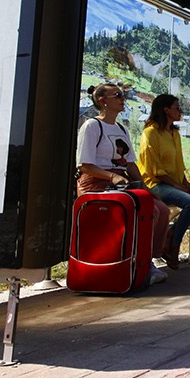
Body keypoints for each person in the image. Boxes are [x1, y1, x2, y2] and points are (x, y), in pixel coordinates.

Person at [77, 83, 170, 283]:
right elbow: (85, 165)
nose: (123, 99)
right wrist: (112, 177)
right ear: (103, 101)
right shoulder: (92, 126)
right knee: (148, 212)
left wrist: (144, 186)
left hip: (119, 183)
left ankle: (147, 261)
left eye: (123, 95)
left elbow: (130, 163)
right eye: (117, 95)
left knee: (161, 209)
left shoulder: (121, 128)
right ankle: (138, 262)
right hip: (97, 183)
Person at [139, 94, 190, 268]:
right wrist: (177, 185)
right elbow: (153, 169)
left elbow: (178, 163)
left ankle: (171, 235)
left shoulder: (175, 134)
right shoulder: (150, 132)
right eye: (177, 107)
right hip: (155, 184)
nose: (180, 111)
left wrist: (185, 182)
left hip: (174, 183)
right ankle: (173, 245)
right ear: (166, 110)